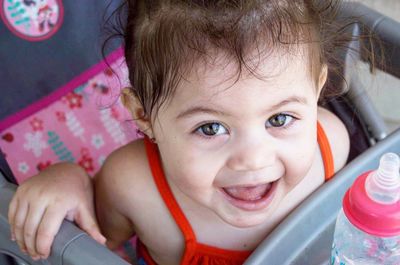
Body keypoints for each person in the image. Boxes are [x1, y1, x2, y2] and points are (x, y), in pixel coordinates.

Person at [8, 0, 353, 264]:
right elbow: (95, 242)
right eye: (211, 127)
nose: (253, 159)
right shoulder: (134, 187)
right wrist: (67, 180)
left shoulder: (331, 144)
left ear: (317, 87)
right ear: (143, 115)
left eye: (279, 119)